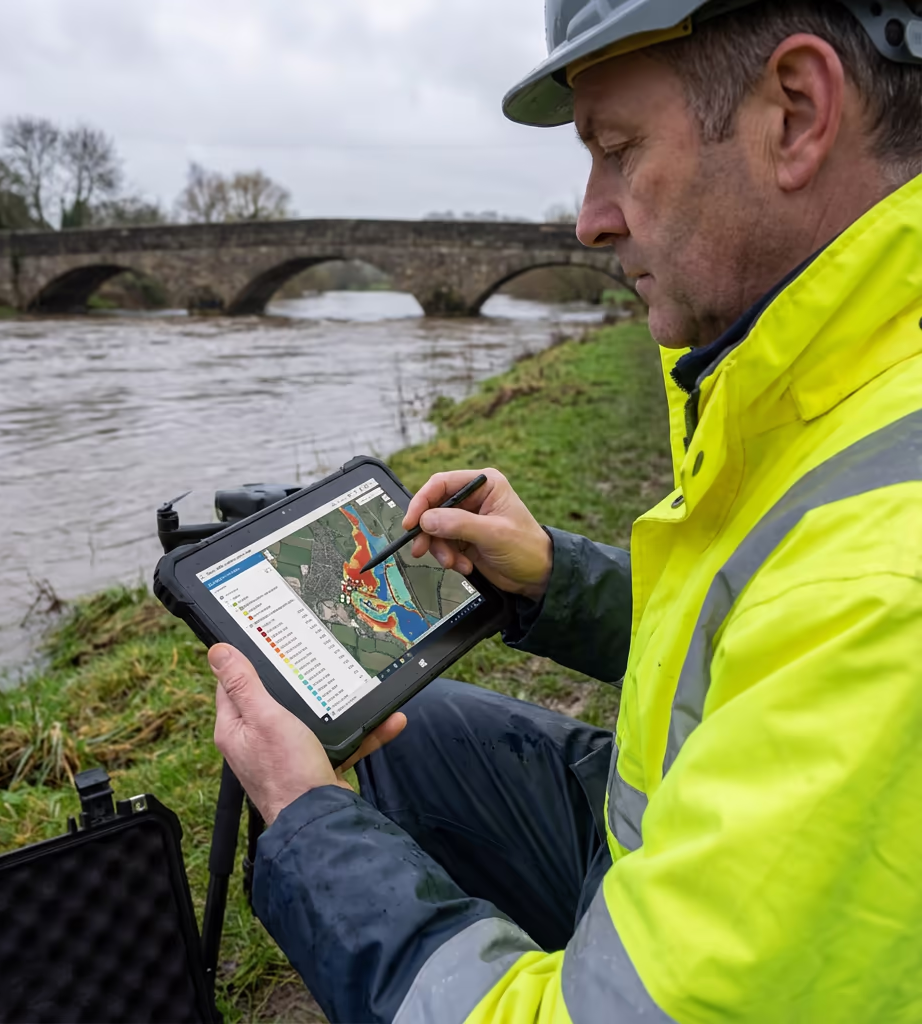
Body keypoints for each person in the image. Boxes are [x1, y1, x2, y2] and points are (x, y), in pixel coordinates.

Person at [209, 1, 922, 1020]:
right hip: (670, 830)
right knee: (408, 726)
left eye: (617, 149)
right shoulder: (816, 378)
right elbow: (759, 625)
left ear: (796, 114)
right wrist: (552, 576)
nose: (587, 218)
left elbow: (838, 606)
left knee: (340, 766)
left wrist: (306, 819)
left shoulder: (888, 586)